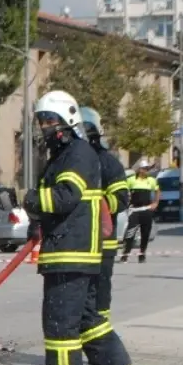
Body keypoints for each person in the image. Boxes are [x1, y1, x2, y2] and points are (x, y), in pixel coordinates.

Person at [22, 90, 138, 365]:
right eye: (41, 120)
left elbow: (64, 197)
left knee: (60, 322)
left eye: (50, 120)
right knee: (88, 320)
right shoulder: (67, 155)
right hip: (75, 252)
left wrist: (25, 198)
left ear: (68, 121)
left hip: (70, 253)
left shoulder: (76, 154)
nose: (45, 126)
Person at [79, 108, 129, 323]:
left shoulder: (108, 163)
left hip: (102, 243)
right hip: (76, 244)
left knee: (99, 297)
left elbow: (121, 198)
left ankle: (101, 341)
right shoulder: (71, 162)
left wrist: (94, 207)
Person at [122, 159, 159, 263]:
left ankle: (142, 255)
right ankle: (125, 254)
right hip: (135, 210)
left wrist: (155, 203)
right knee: (130, 233)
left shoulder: (151, 180)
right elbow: (124, 191)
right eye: (144, 169)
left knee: (145, 234)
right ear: (139, 169)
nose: (145, 171)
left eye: (147, 169)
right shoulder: (131, 180)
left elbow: (157, 191)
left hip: (146, 210)